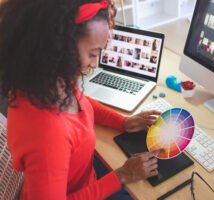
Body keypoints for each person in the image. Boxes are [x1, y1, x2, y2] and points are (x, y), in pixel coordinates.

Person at [0, 0, 162, 199]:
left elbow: (80, 101)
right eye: (93, 54)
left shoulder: (48, 82)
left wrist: (123, 121)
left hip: (85, 177)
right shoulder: (48, 133)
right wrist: (121, 175)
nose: (94, 64)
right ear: (59, 47)